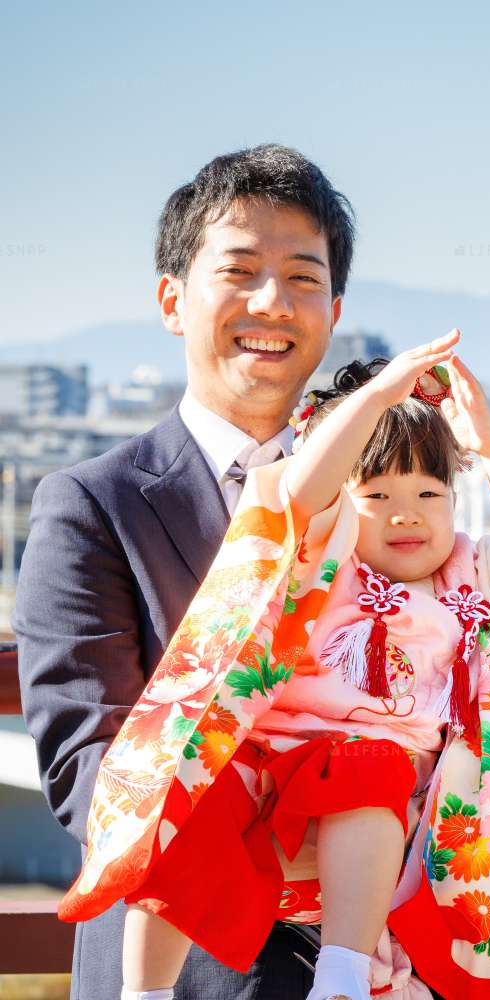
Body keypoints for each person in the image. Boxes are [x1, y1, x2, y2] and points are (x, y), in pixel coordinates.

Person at [58, 334, 490, 1000]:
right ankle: (145, 991)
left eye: (431, 492)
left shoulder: (469, 570)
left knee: (368, 779)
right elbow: (300, 495)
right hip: (268, 762)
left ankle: (341, 976)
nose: (408, 513)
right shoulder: (326, 551)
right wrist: (372, 400)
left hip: (382, 780)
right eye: (378, 494)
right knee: (179, 798)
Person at [14, 143, 356, 1000]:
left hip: (376, 961)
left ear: (335, 309)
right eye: (239, 270)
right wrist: (295, 837)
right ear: (172, 299)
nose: (272, 304)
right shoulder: (91, 505)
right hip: (183, 970)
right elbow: (86, 766)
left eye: (303, 278)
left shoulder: (387, 498)